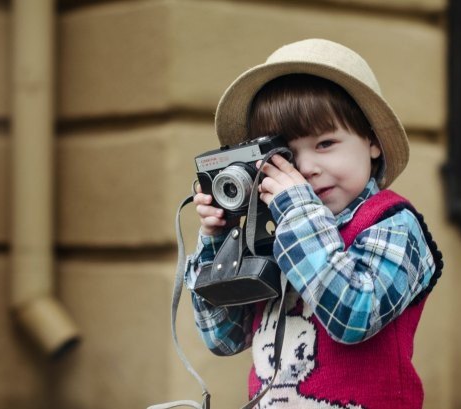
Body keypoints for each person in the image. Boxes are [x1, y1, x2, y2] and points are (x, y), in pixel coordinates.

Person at [185, 38, 442, 409]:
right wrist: (216, 241)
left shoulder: (394, 223)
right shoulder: (279, 231)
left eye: (324, 144)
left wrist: (296, 213)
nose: (305, 168)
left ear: (372, 141)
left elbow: (353, 316)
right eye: (286, 155)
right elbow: (223, 337)